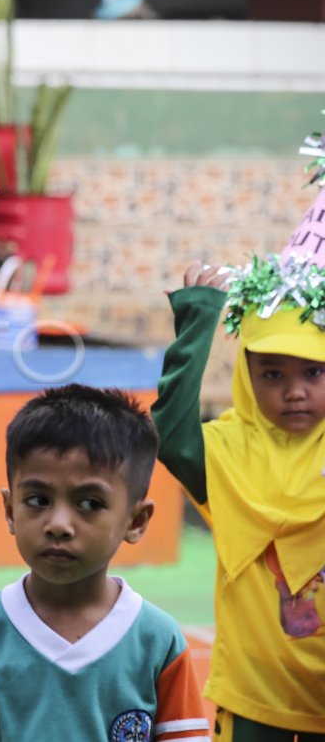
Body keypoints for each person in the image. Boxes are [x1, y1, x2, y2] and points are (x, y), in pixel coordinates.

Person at [0, 385, 207, 741]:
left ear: (136, 521)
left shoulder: (158, 642)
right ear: (11, 511)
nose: (58, 524)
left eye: (89, 503)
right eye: (38, 499)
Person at [152, 177, 325, 741]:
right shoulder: (228, 450)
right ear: (248, 376)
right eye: (272, 373)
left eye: (314, 372)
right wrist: (199, 322)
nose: (294, 390)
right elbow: (173, 433)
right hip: (253, 699)